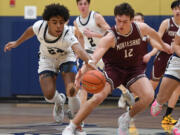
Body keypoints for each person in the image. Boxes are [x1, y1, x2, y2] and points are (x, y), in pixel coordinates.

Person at [62, 3, 172, 135]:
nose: (121, 25)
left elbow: (153, 33)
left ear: (131, 20)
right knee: (97, 97)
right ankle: (72, 125)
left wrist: (163, 44)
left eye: (125, 22)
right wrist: (81, 73)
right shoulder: (110, 37)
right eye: (119, 21)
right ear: (115, 19)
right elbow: (94, 58)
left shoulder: (140, 28)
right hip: (114, 70)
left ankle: (126, 118)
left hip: (133, 70)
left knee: (149, 96)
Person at [4, 4, 94, 133]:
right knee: (49, 95)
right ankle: (59, 101)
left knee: (72, 90)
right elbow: (30, 30)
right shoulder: (39, 26)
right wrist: (17, 42)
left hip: (66, 58)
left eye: (61, 22)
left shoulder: (68, 33)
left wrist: (89, 61)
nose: (58, 26)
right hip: (47, 59)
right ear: (47, 21)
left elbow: (78, 49)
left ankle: (77, 123)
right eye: (54, 22)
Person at [150, 0, 180, 125]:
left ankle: (167, 115)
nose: (178, 11)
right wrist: (155, 51)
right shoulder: (166, 23)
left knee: (178, 89)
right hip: (166, 57)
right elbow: (155, 40)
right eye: (175, 8)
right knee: (153, 87)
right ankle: (137, 104)